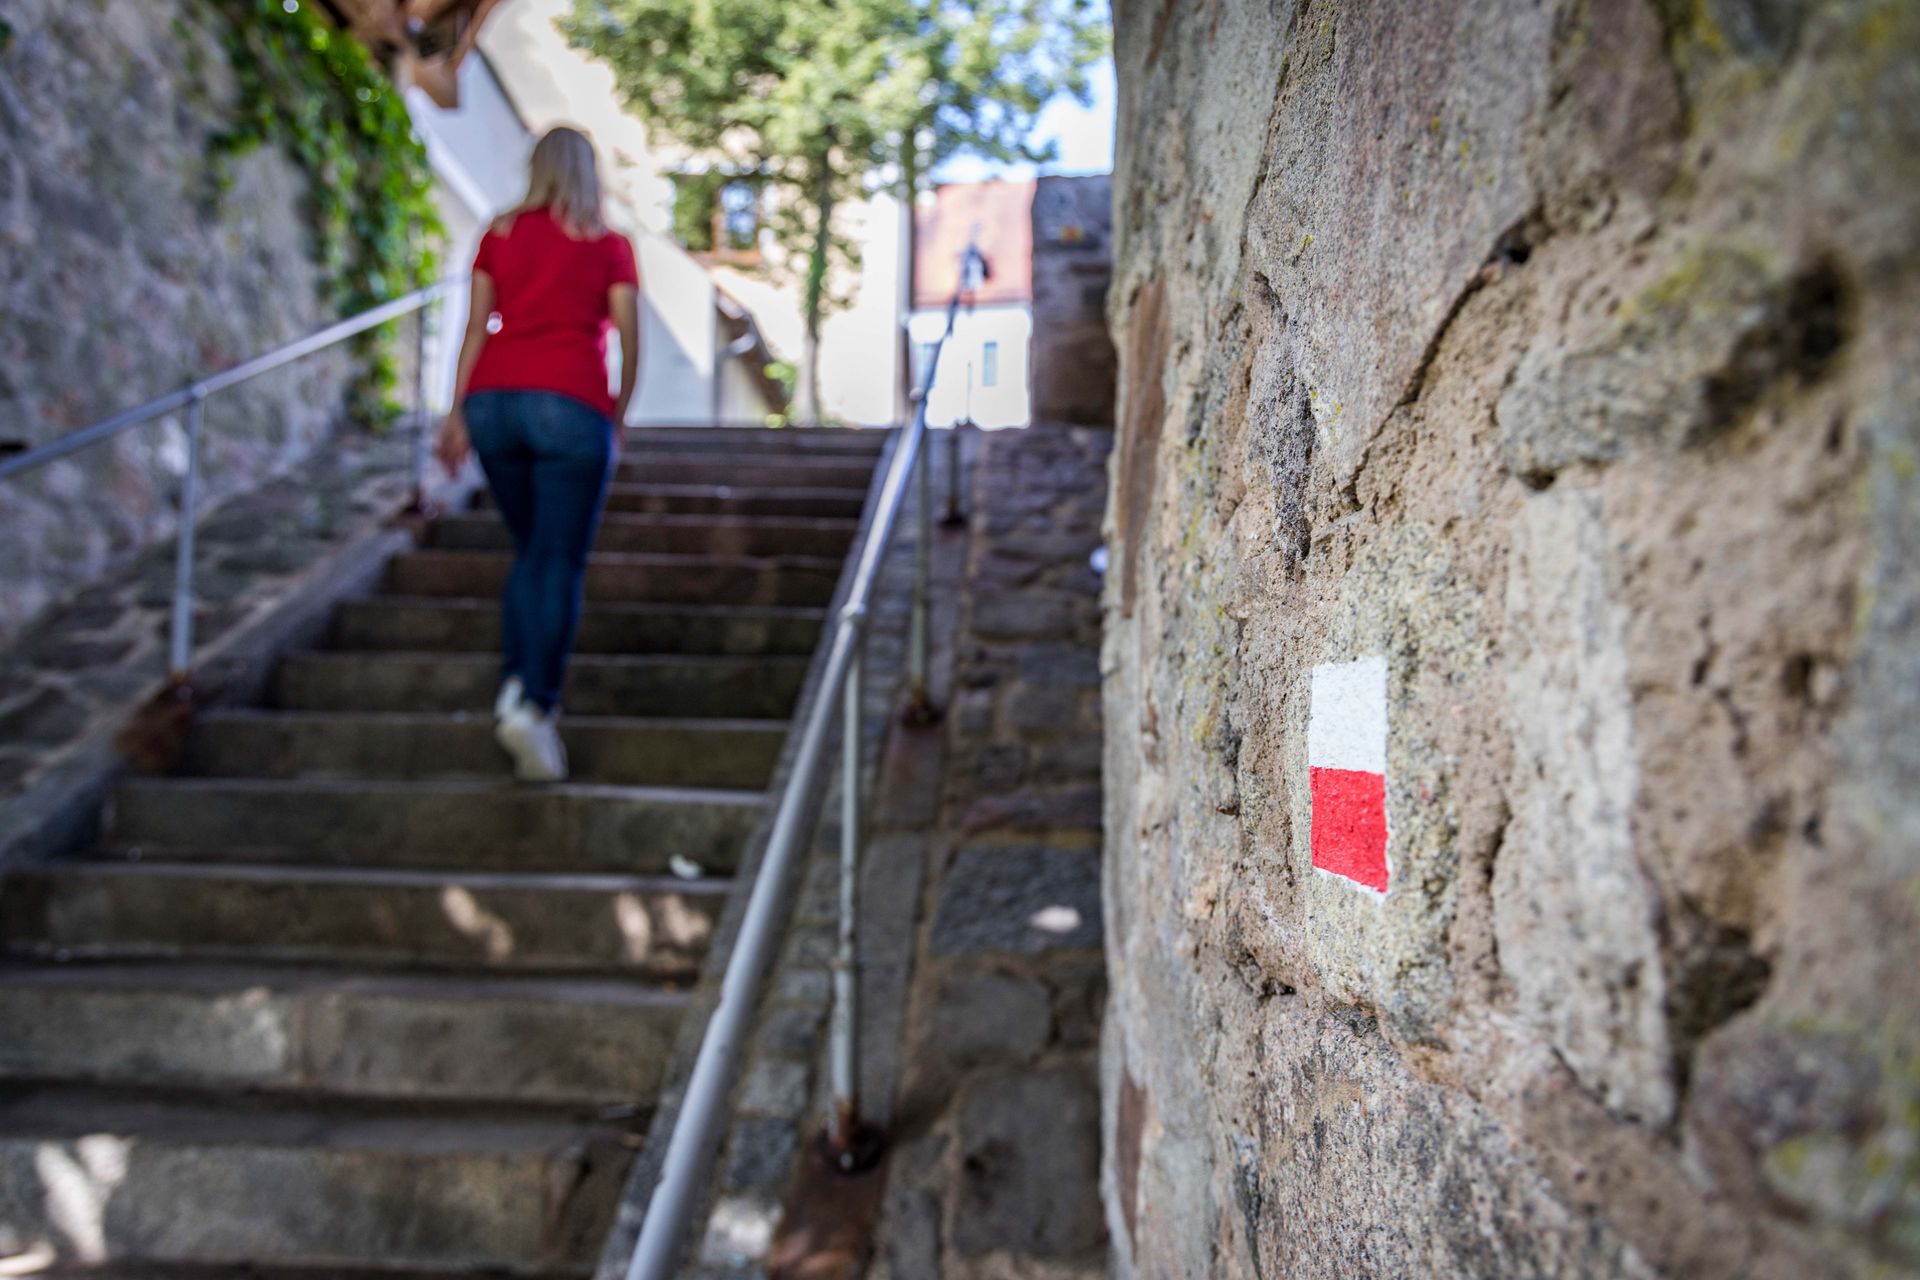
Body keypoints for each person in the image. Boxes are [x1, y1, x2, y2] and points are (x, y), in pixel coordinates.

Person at [434, 126, 641, 782]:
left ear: (536, 168)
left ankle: (515, 684)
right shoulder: (609, 247)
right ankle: (535, 705)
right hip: (571, 403)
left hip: (494, 401)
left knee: (530, 552)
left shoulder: (498, 234)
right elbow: (630, 339)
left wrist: (455, 411)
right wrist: (619, 413)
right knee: (557, 560)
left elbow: (475, 327)